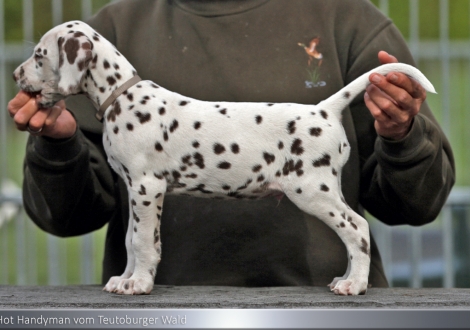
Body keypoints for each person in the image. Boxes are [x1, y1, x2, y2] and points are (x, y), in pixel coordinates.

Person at [8, 0, 455, 288]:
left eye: (40, 60)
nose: (25, 70)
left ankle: (355, 268)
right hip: (160, 317)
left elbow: (417, 205)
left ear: (75, 61)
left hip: (322, 314)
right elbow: (67, 216)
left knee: (321, 201)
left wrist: (401, 136)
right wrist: (58, 145)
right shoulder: (115, 27)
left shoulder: (349, 22)